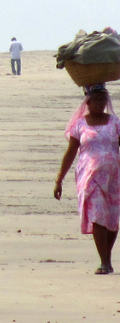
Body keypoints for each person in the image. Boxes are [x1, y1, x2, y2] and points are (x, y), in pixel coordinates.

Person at [54, 83, 120, 274]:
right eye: (96, 100)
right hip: (89, 176)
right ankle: (104, 262)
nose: (99, 103)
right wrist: (59, 179)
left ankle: (107, 257)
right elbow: (70, 153)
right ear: (88, 103)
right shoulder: (80, 125)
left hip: (113, 177)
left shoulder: (115, 122)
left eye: (102, 100)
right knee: (97, 216)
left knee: (112, 219)